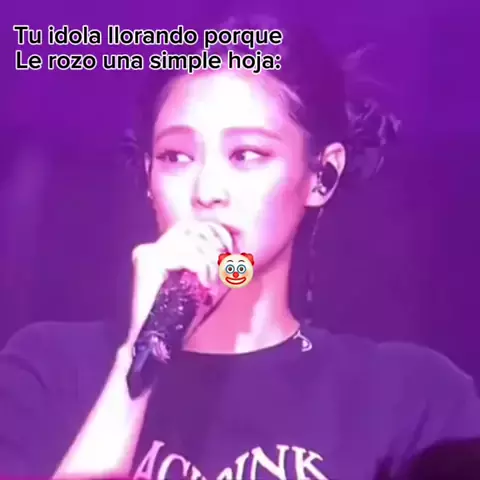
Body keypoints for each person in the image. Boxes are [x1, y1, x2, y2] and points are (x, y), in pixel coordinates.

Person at [0, 14, 479, 480]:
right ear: (148, 176)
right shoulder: (51, 370)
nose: (207, 190)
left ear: (322, 175)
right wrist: (138, 360)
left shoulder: (409, 399)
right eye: (176, 156)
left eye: (247, 155)